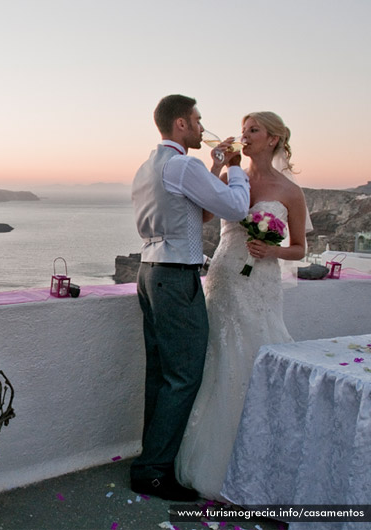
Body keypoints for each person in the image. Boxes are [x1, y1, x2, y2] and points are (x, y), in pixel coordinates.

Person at [175, 111, 308, 501]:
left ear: (274, 139)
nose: (244, 136)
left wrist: (273, 250)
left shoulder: (290, 191)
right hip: (225, 277)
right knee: (221, 360)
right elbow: (202, 216)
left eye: (254, 130)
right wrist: (217, 168)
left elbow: (300, 248)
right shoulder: (234, 177)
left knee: (257, 360)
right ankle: (212, 464)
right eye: (243, 129)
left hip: (262, 285)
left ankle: (261, 461)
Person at [130, 94, 251, 501]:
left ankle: (152, 461)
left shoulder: (149, 166)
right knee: (184, 374)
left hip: (149, 273)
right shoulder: (183, 164)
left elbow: (197, 214)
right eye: (198, 121)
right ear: (180, 124)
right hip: (176, 278)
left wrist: (214, 167)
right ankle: (154, 471)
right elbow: (233, 207)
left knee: (161, 373)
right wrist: (234, 169)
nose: (202, 127)